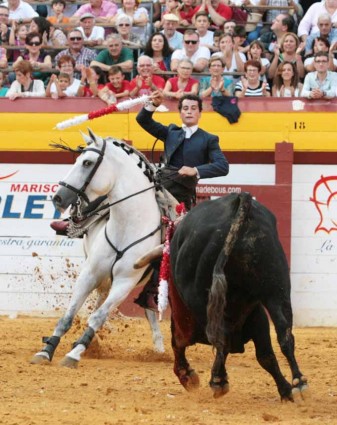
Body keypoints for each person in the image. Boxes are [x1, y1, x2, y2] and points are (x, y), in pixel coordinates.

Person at [134, 91, 229, 309]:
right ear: (180, 112)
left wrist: (195, 169)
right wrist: (152, 105)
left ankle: (157, 288)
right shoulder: (171, 132)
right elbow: (142, 120)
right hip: (159, 189)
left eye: (193, 108)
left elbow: (223, 166)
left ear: (199, 113)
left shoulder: (208, 139)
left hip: (181, 197)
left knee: (177, 240)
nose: (189, 112)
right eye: (185, 108)